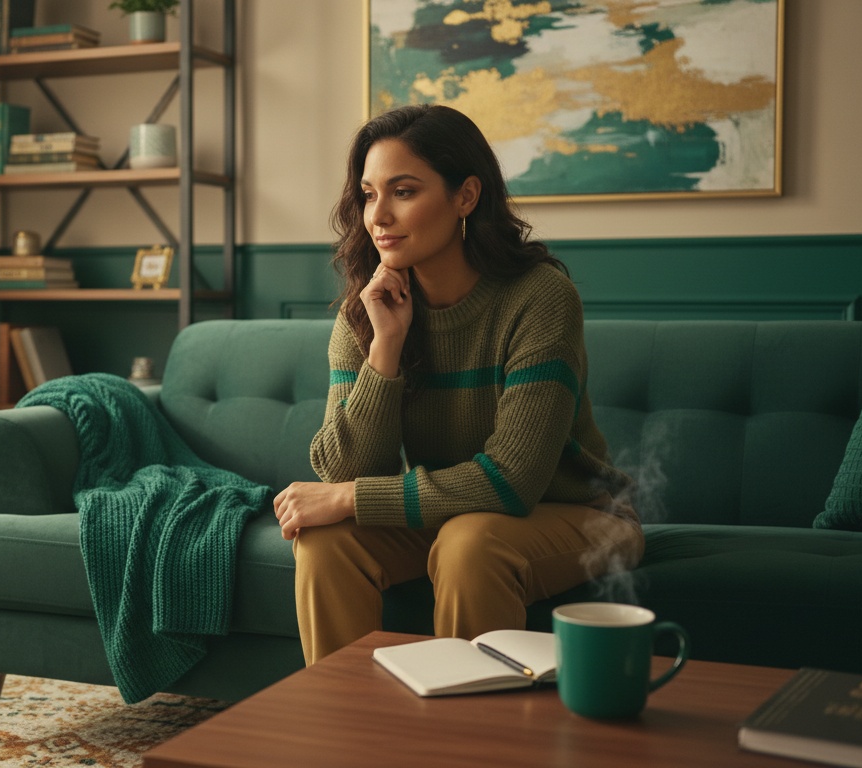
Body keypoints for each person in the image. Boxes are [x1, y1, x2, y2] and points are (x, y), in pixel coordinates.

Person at [272, 104, 645, 665]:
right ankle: (348, 734)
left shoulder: (539, 298)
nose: (379, 216)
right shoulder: (367, 310)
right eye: (369, 194)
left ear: (465, 196)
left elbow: (513, 481)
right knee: (325, 543)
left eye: (403, 191)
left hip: (583, 515)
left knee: (470, 544)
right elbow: (346, 468)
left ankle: (467, 744)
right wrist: (386, 350)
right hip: (454, 515)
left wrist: (349, 497)